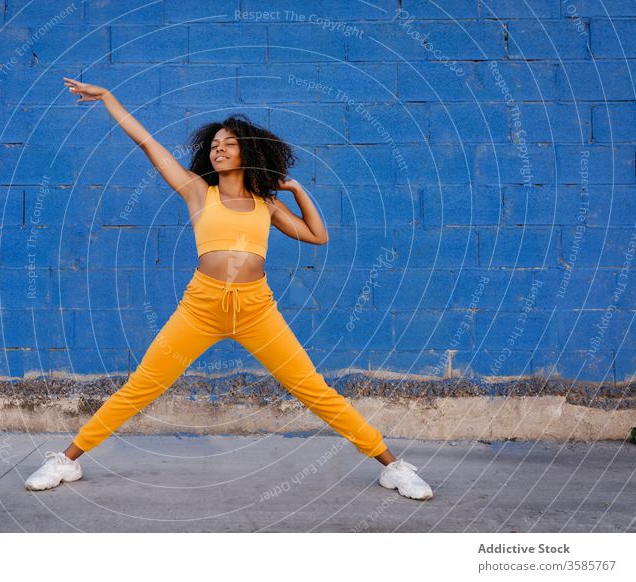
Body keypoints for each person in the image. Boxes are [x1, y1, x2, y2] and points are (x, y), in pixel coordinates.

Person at [23, 76, 434, 501]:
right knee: (141, 386)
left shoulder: (266, 204)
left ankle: (392, 467)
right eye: (214, 145)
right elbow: (148, 144)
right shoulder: (199, 192)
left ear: (249, 151)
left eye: (229, 144)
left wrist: (295, 189)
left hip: (257, 310)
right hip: (201, 308)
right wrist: (109, 97)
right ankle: (67, 460)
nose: (219, 149)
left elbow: (317, 236)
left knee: (314, 390)